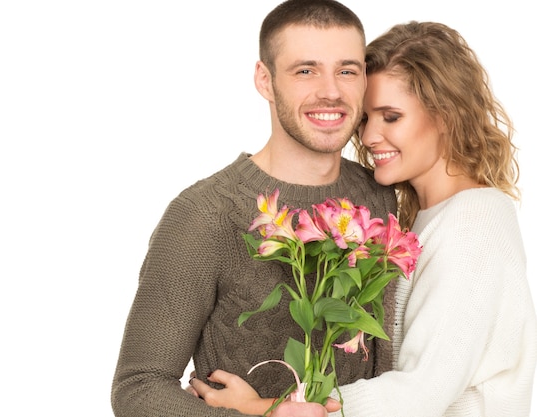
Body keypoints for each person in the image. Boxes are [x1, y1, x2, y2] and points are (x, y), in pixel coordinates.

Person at [191, 20, 537, 416]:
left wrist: (262, 409)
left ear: (446, 115)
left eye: (391, 117)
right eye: (366, 120)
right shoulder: (419, 217)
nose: (370, 137)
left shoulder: (476, 223)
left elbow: (420, 391)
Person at [110, 1, 398, 416]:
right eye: (306, 70)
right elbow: (138, 389)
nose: (331, 90)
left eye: (347, 70)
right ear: (265, 80)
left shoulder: (379, 195)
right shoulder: (204, 216)